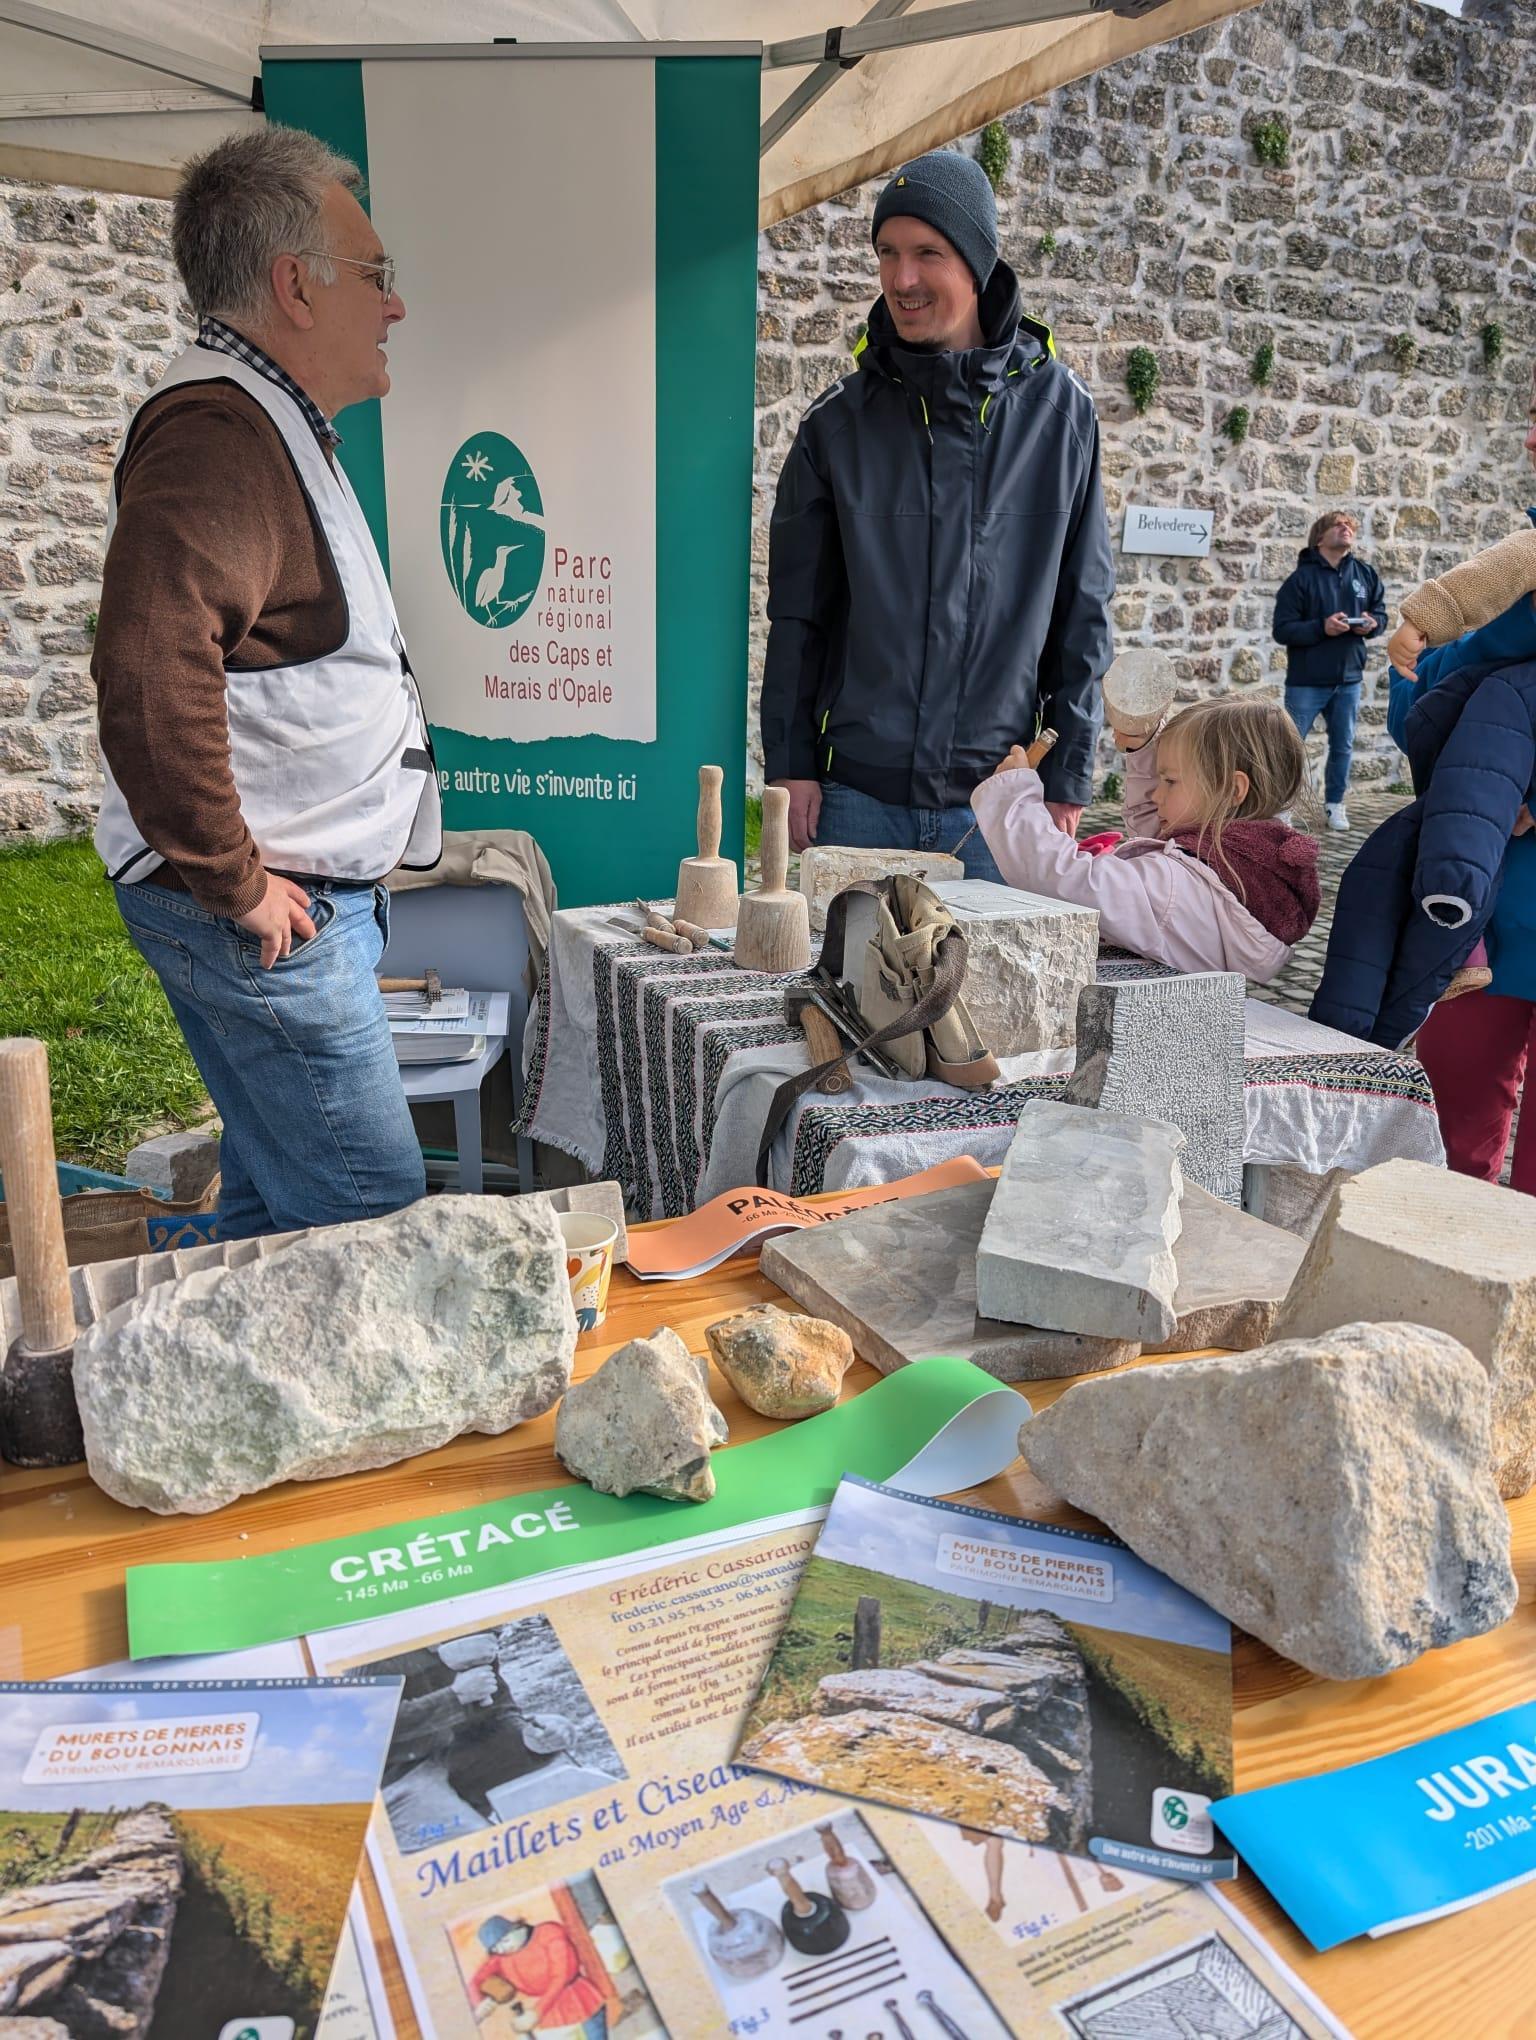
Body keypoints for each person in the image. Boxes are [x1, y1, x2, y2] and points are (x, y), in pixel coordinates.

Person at [91, 126, 441, 1240]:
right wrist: (235, 882)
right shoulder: (216, 435)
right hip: (268, 912)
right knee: (366, 1224)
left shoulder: (257, 418)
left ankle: (172, 1394)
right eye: (376, 275)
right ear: (296, 285)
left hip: (285, 904)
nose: (393, 306)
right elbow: (147, 668)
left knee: (268, 1211)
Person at [760, 149, 1114, 875]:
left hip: (1001, 806)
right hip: (857, 799)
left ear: (978, 264)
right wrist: (791, 763)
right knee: (841, 992)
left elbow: (1084, 614)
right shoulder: (836, 425)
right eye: (888, 253)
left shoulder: (1062, 417)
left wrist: (1069, 772)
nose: (902, 279)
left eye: (928, 253)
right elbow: (799, 615)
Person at [1381, 380, 1536, 1192]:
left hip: (1487, 895)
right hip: (1487, 906)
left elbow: (1423, 697)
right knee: (1451, 1142)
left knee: (1459, 1148)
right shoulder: (1520, 572)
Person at [969, 699, 1318, 982]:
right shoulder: (1243, 863)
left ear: (1231, 790)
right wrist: (1147, 752)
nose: (1154, 792)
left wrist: (1013, 797)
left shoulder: (1175, 886)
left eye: (1169, 780)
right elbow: (1168, 836)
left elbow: (1066, 879)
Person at [1272, 509, 1387, 830]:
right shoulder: (1300, 580)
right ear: (1320, 536)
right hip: (1307, 681)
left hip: (1349, 678)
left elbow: (1381, 612)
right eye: (1338, 525)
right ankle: (1281, 807)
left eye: (1350, 525)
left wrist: (1373, 625)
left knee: (1343, 745)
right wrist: (1322, 628)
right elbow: (1283, 630)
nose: (1346, 528)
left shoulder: (1364, 574)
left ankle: (1335, 805)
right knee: (1291, 746)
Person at [469, 1914, 608, 2036]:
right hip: (549, 2013)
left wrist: (537, 2012)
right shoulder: (501, 1957)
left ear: (517, 1928)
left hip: (578, 1999)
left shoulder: (548, 1933)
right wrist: (479, 2003)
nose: (503, 1949)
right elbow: (475, 1981)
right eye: (496, 1948)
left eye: (505, 1941)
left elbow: (561, 1975)